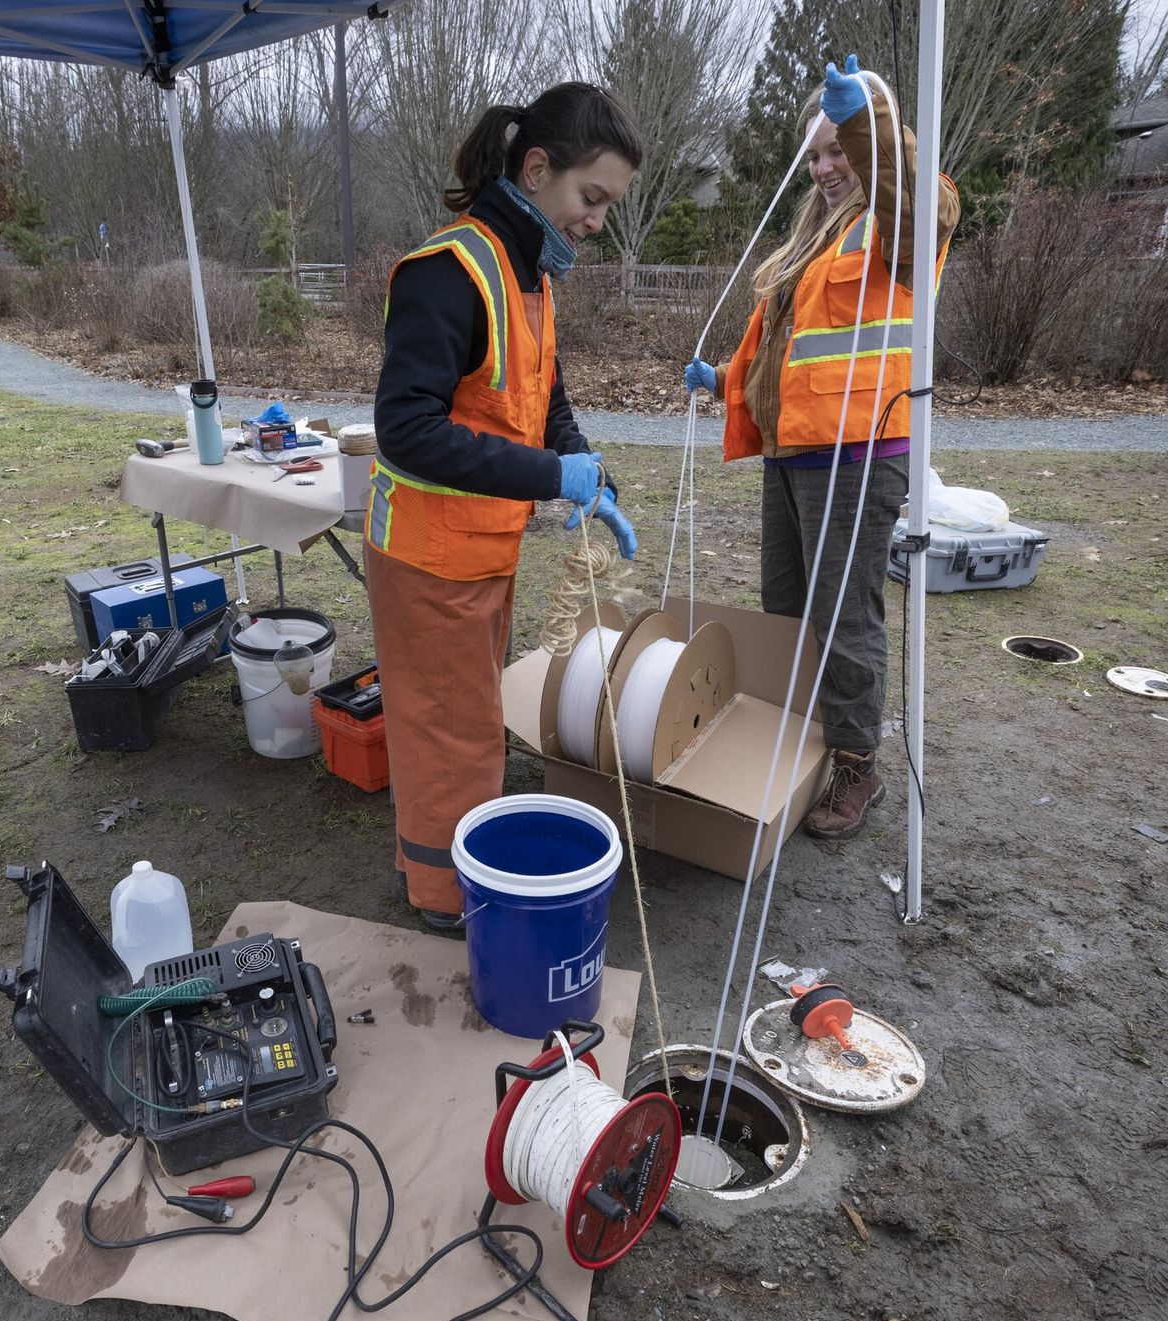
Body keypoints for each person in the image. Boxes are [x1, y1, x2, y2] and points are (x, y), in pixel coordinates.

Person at [366, 83, 644, 930]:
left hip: (481, 551)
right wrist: (545, 479)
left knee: (470, 718)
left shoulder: (531, 275)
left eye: (608, 207)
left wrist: (582, 468)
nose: (596, 222)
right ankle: (445, 897)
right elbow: (403, 430)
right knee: (450, 735)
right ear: (536, 168)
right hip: (426, 556)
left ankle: (458, 872)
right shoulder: (449, 274)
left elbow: (544, 398)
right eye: (590, 199)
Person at [684, 56, 959, 840]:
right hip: (795, 454)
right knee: (789, 609)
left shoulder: (902, 218)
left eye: (838, 149)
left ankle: (854, 762)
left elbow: (913, 203)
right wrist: (724, 384)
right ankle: (803, 736)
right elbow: (791, 357)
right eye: (816, 155)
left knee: (844, 616)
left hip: (861, 451)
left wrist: (871, 131)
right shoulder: (815, 240)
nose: (826, 167)